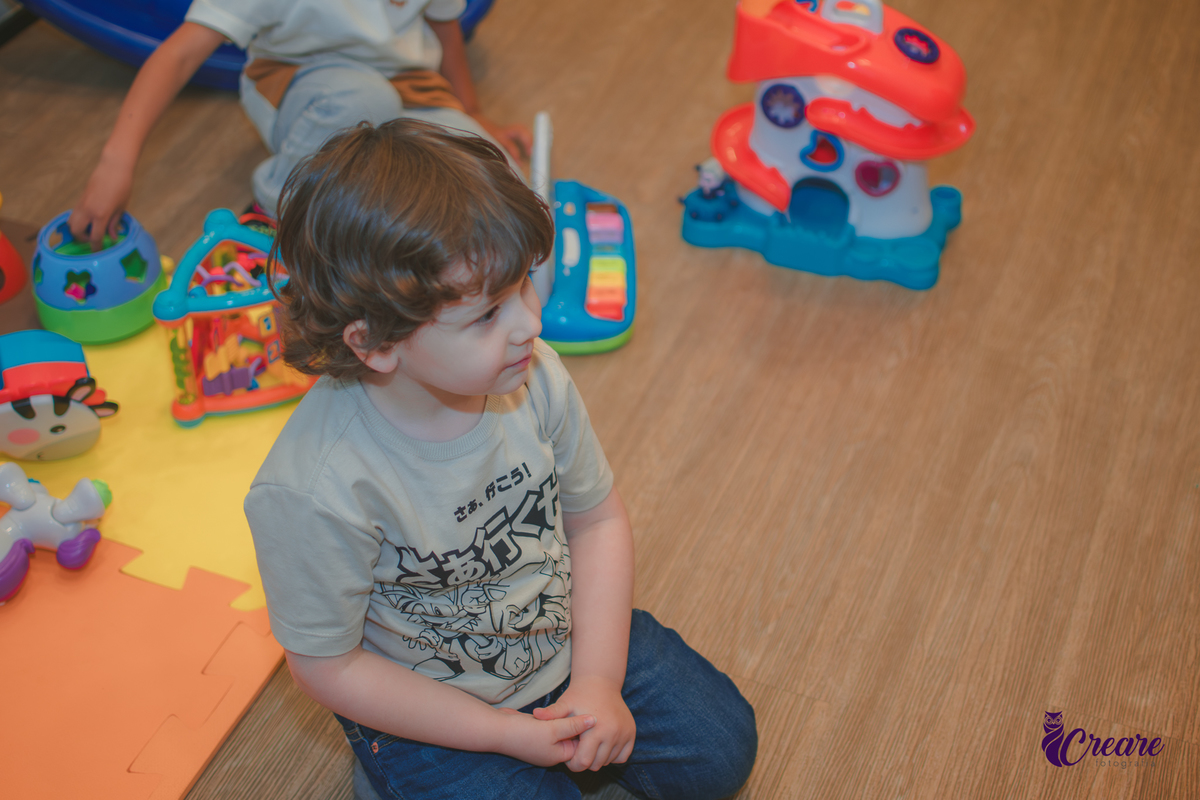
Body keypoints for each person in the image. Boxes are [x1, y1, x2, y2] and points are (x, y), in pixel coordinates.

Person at [242, 118, 758, 800]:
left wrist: (598, 682)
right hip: (428, 710)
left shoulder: (530, 375)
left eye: (523, 285)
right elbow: (327, 666)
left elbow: (597, 521)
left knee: (720, 750)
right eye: (486, 314)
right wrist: (497, 733)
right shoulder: (315, 488)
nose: (531, 323)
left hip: (562, 638)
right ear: (375, 344)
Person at [68, 0, 531, 247]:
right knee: (366, 102)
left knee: (491, 168)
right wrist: (116, 163)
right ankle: (271, 211)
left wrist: (472, 113)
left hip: (406, 79)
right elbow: (180, 53)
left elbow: (445, 27)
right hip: (298, 75)